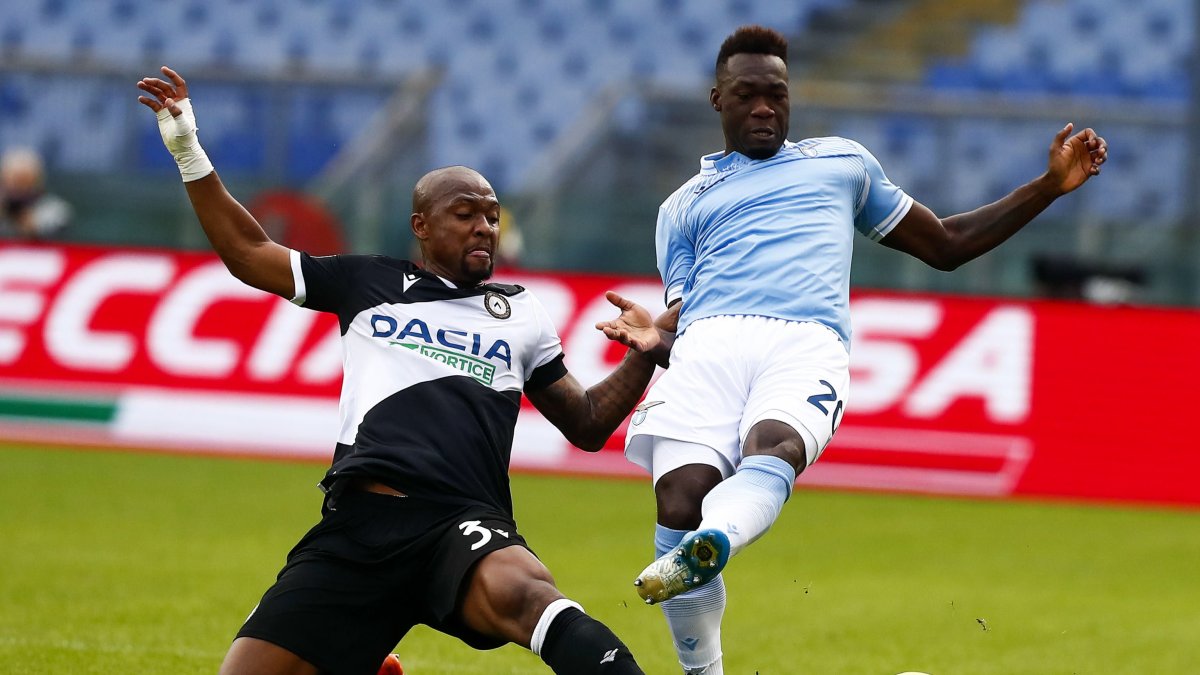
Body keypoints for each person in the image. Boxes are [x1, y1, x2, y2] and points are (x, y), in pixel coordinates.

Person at [596, 25, 1107, 675]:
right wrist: (656, 336)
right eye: (747, 94)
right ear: (716, 99)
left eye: (776, 94)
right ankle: (705, 655)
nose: (764, 107)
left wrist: (1046, 187)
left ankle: (715, 541)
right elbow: (686, 305)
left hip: (804, 338)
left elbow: (945, 244)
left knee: (775, 443)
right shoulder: (681, 207)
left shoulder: (842, 165)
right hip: (711, 340)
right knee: (677, 498)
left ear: (790, 97)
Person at [137, 66, 668, 675]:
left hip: (459, 518)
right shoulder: (367, 281)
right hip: (358, 524)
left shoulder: (521, 311)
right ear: (421, 226)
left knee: (526, 595)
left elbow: (588, 424)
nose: (484, 227)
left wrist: (645, 351)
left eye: (492, 216)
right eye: (465, 213)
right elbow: (249, 253)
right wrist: (186, 147)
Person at [0, 147, 72, 241]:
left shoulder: (56, 209)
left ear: (37, 181)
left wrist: (24, 219)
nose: (19, 188)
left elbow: (53, 235)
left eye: (24, 181)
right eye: (14, 180)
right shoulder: (2, 206)